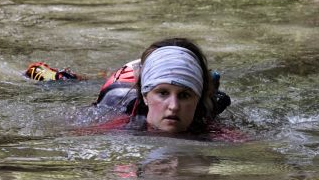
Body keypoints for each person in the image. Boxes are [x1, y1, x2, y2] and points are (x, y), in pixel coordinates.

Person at [26, 38, 232, 135]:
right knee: (67, 83)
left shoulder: (207, 108)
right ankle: (68, 77)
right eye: (162, 93)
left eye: (185, 96)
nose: (174, 106)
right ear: (144, 95)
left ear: (197, 98)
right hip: (124, 82)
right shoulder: (118, 112)